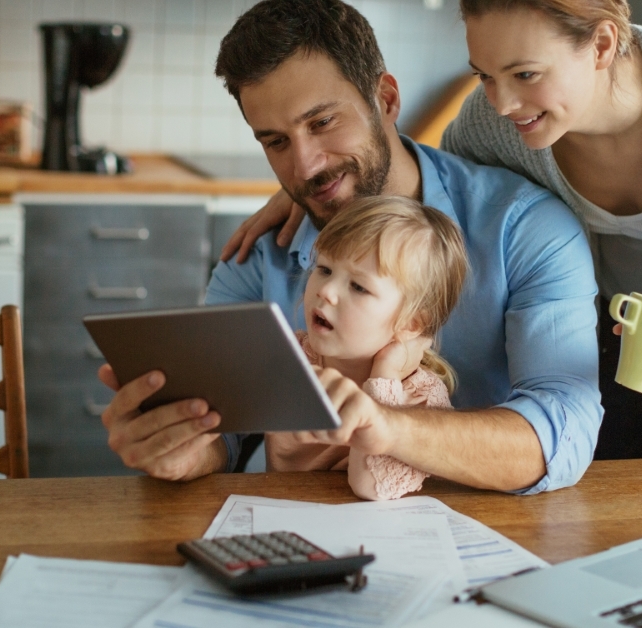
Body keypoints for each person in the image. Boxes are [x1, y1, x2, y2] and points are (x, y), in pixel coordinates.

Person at [226, 0, 642, 461]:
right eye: (484, 75)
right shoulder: (495, 120)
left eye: (525, 73)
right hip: (618, 320)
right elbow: (429, 191)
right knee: (608, 479)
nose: (504, 101)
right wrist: (314, 184)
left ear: (602, 43)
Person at [98, 0, 603, 494]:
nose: (306, 167)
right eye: (275, 141)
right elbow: (223, 430)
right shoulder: (257, 257)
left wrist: (388, 428)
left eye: (322, 123)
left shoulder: (526, 228)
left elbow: (564, 430)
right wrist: (184, 450)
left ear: (385, 99)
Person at [276, 195, 469, 501]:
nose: (325, 291)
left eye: (358, 287)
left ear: (411, 323)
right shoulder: (292, 358)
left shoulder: (420, 397)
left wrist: (384, 378)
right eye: (324, 269)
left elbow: (368, 486)